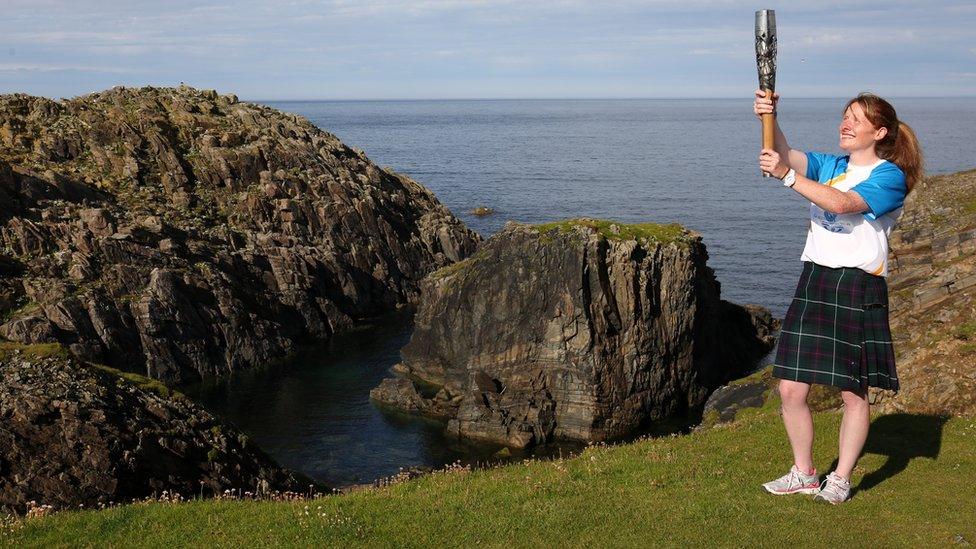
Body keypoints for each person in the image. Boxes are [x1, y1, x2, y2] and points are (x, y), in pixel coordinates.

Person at [752, 89, 923, 504]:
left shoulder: (889, 176)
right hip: (815, 279)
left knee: (853, 390)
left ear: (879, 132)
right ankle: (805, 473)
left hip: (858, 285)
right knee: (791, 388)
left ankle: (841, 478)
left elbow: (845, 203)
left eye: (856, 120)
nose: (845, 125)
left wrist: (789, 178)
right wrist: (769, 116)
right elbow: (783, 150)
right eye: (845, 116)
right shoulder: (832, 164)